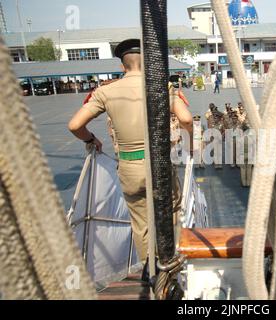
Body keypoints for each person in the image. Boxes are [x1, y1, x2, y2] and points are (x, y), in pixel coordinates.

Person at [67, 39, 193, 280]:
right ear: (146, 64)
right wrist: (191, 145)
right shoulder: (162, 87)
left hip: (128, 166)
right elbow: (186, 119)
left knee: (140, 220)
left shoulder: (105, 91)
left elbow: (74, 125)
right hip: (159, 166)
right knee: (172, 210)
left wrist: (90, 139)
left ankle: (149, 266)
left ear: (123, 66)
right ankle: (170, 262)